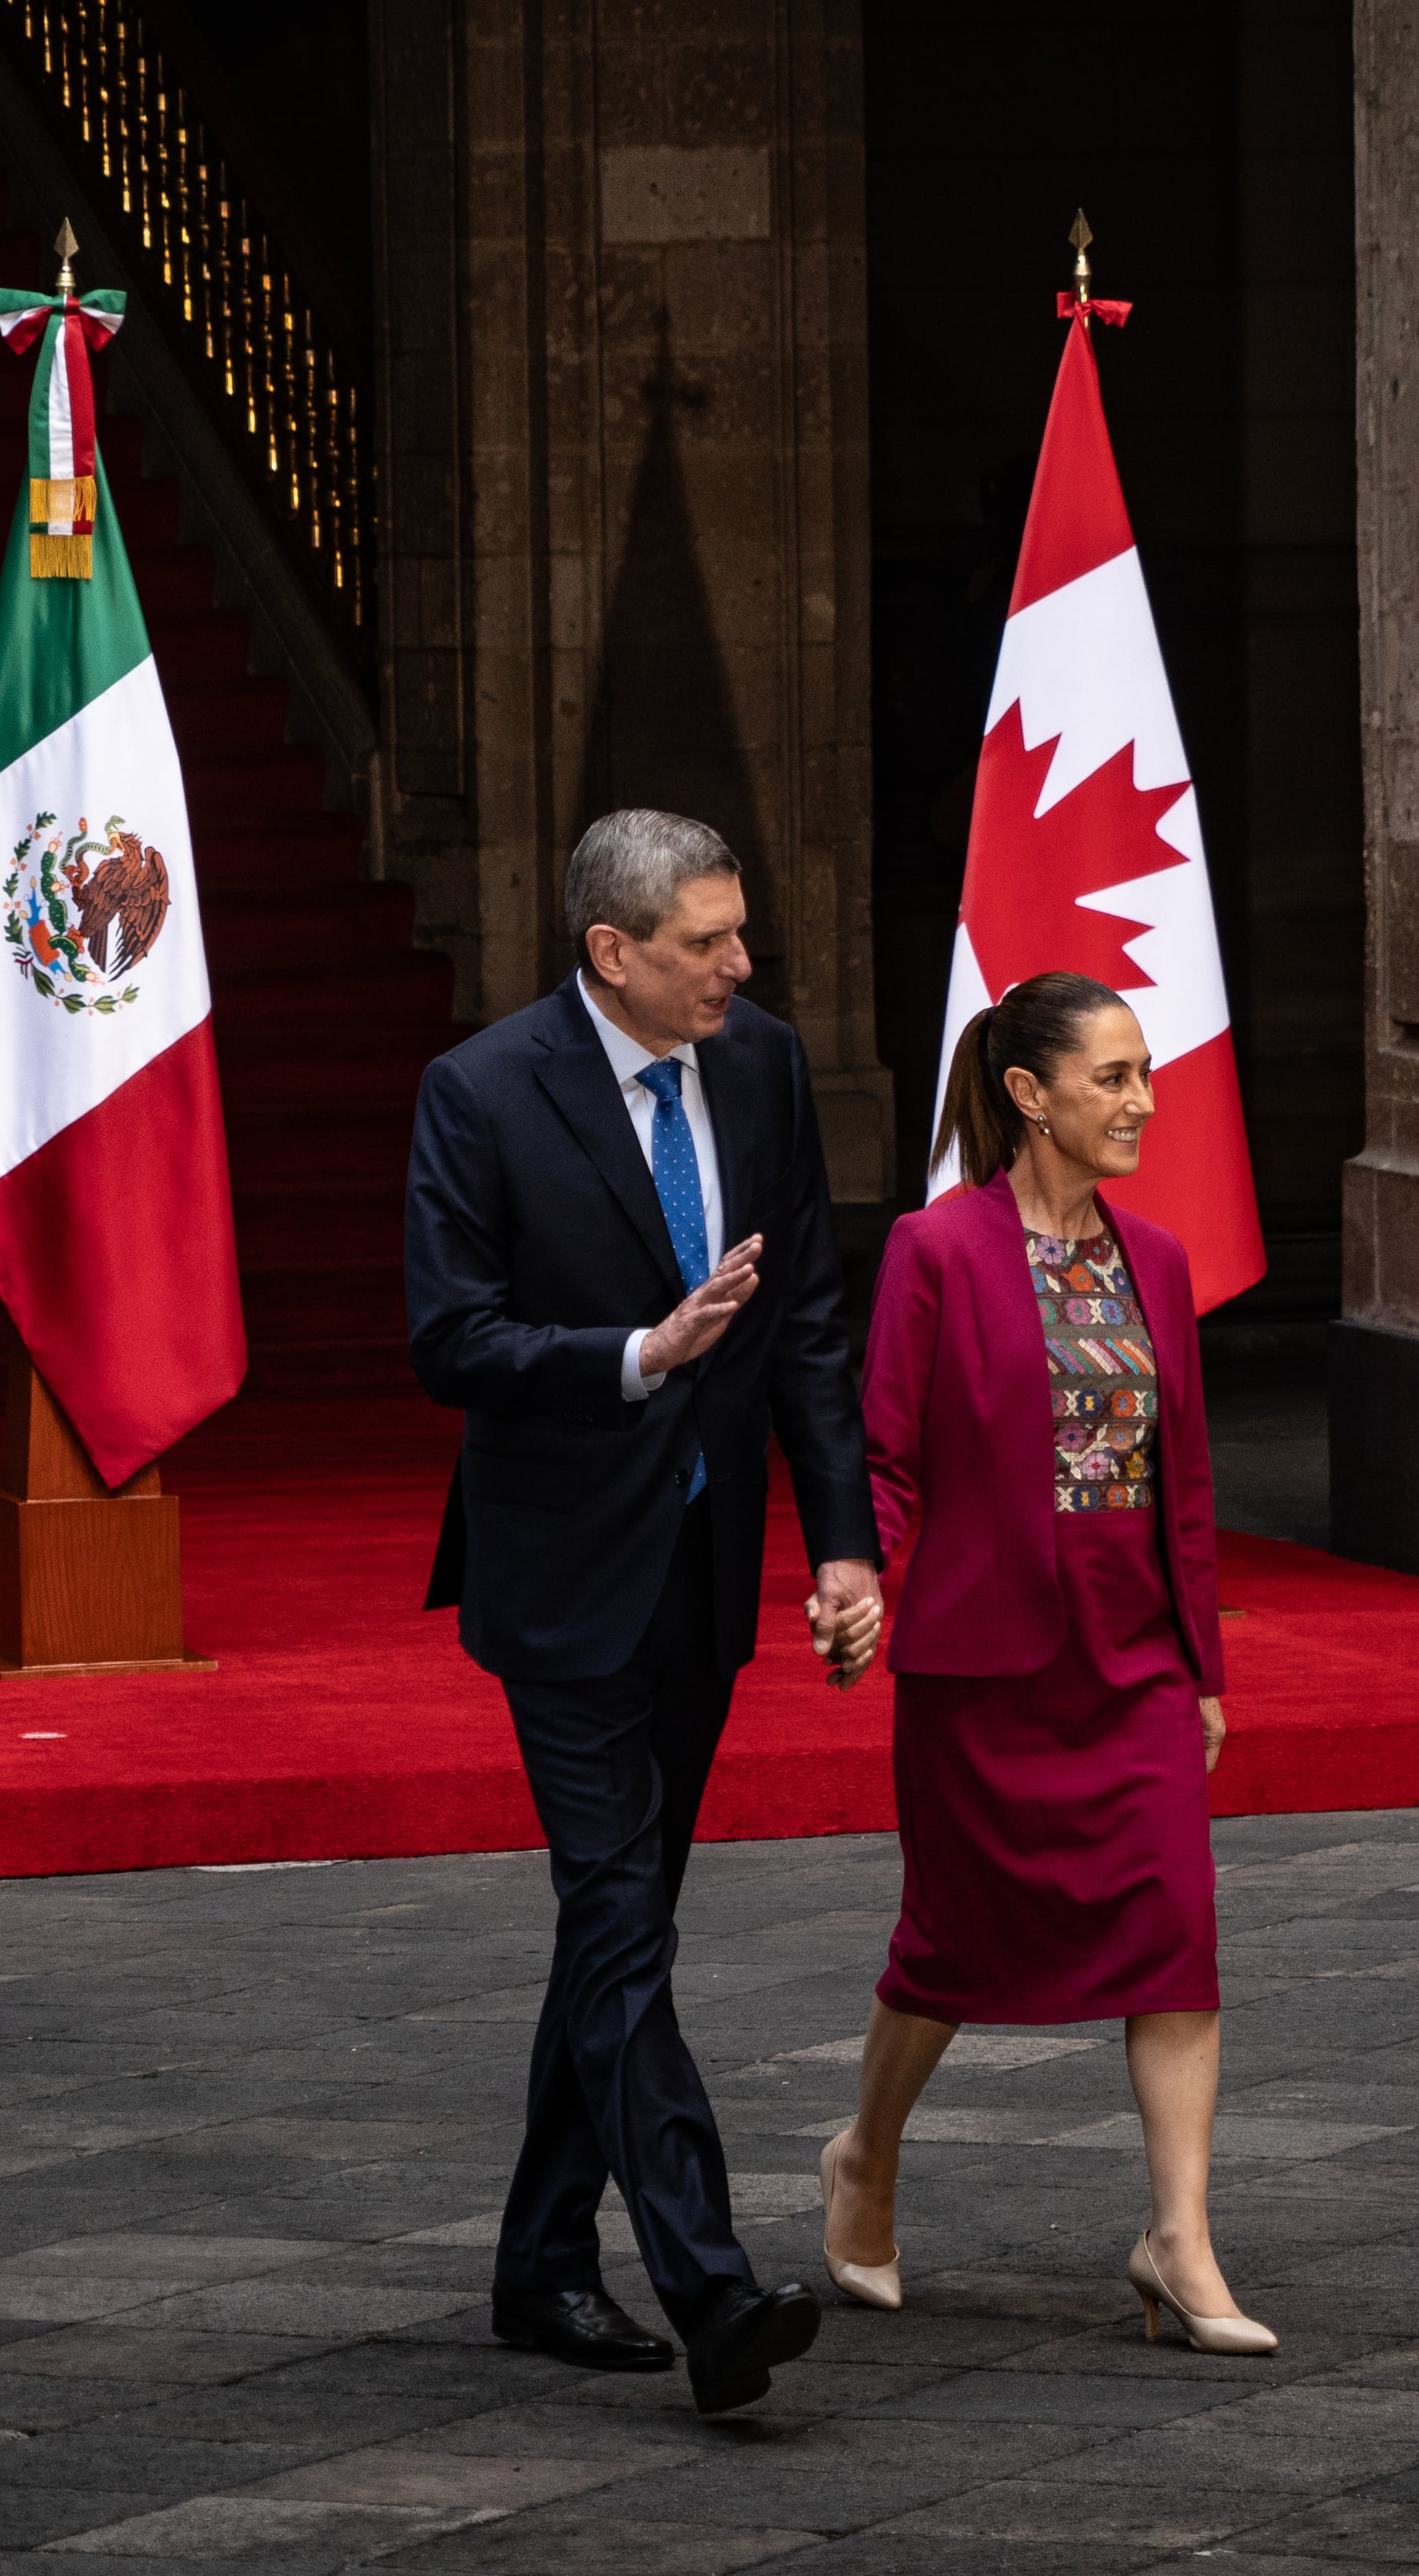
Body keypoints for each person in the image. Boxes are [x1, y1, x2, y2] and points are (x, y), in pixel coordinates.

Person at [405, 809, 888, 2415]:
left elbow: (807, 1318)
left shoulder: (761, 1065)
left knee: (620, 1924)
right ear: (611, 951)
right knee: (620, 1915)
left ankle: (541, 2259)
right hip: (559, 1570)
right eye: (706, 942)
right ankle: (712, 2286)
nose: (739, 966)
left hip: (705, 1564)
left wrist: (840, 1543)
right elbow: (450, 1336)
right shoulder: (481, 1090)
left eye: (741, 931)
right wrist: (636, 1354)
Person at [816, 970, 1273, 2355]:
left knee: (1176, 1937)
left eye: (1145, 1074)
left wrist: (1202, 1667)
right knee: (949, 1947)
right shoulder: (935, 1249)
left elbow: (1183, 1481)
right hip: (985, 1667)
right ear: (1029, 1094)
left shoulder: (1161, 1259)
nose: (1143, 1101)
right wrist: (857, 1579)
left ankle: (1178, 2238)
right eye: (1113, 1077)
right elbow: (886, 1451)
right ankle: (866, 2156)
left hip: (1132, 1661)